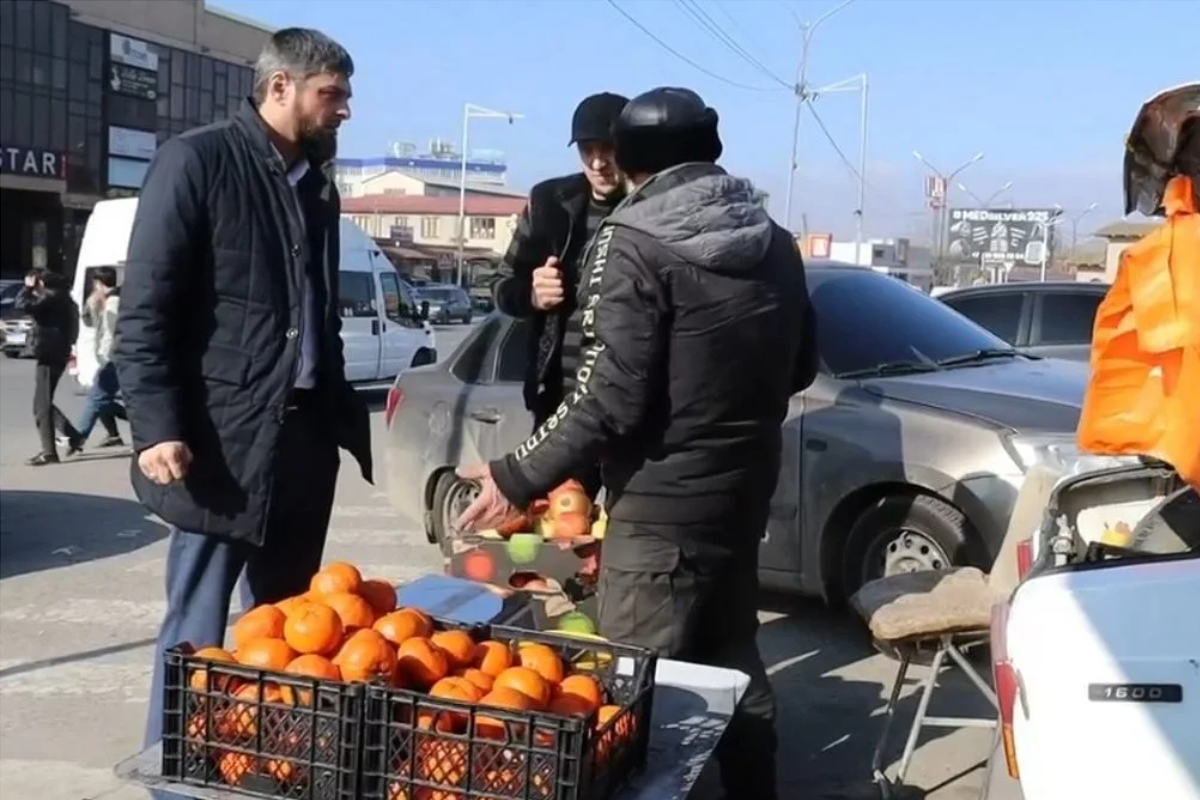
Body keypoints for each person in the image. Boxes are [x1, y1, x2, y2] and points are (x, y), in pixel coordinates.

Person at [457, 87, 819, 800]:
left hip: (659, 509)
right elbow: (802, 363)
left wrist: (515, 474)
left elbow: (608, 396)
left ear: (629, 160)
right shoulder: (774, 242)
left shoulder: (635, 238)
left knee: (630, 701)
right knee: (730, 657)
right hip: (742, 493)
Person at [112, 28, 372, 779]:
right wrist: (156, 426)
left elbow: (318, 314)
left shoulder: (317, 187)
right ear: (280, 86)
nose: (345, 110)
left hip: (302, 441)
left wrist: (333, 416)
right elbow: (146, 310)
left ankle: (265, 771)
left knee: (293, 632)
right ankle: (176, 774)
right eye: (333, 94)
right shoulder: (197, 162)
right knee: (197, 628)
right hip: (218, 446)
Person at [491, 92, 629, 436]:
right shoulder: (548, 203)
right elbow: (501, 284)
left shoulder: (651, 208)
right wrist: (533, 296)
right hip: (556, 400)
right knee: (553, 492)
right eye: (587, 151)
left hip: (627, 405)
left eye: (607, 149)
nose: (597, 163)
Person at [15, 268, 81, 466]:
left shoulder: (50, 297)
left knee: (42, 405)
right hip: (58, 351)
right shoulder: (66, 299)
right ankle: (73, 436)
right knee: (41, 402)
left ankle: (49, 452)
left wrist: (26, 289)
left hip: (49, 352)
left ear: (41, 282)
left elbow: (22, 306)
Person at [64, 265, 126, 452]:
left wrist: (110, 354)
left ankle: (78, 438)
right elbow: (90, 323)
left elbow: (116, 331)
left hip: (113, 358)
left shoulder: (114, 303)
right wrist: (91, 305)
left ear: (98, 283)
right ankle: (116, 433)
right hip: (108, 357)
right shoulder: (103, 300)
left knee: (96, 398)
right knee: (102, 398)